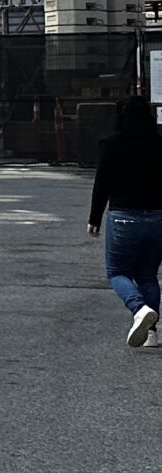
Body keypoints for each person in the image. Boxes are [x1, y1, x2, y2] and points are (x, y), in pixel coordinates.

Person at [88, 101, 162, 348]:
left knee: (117, 272)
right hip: (157, 217)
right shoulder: (159, 143)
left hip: (123, 216)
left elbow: (102, 184)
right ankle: (151, 333)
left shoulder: (112, 144)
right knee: (148, 275)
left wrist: (94, 218)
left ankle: (139, 309)